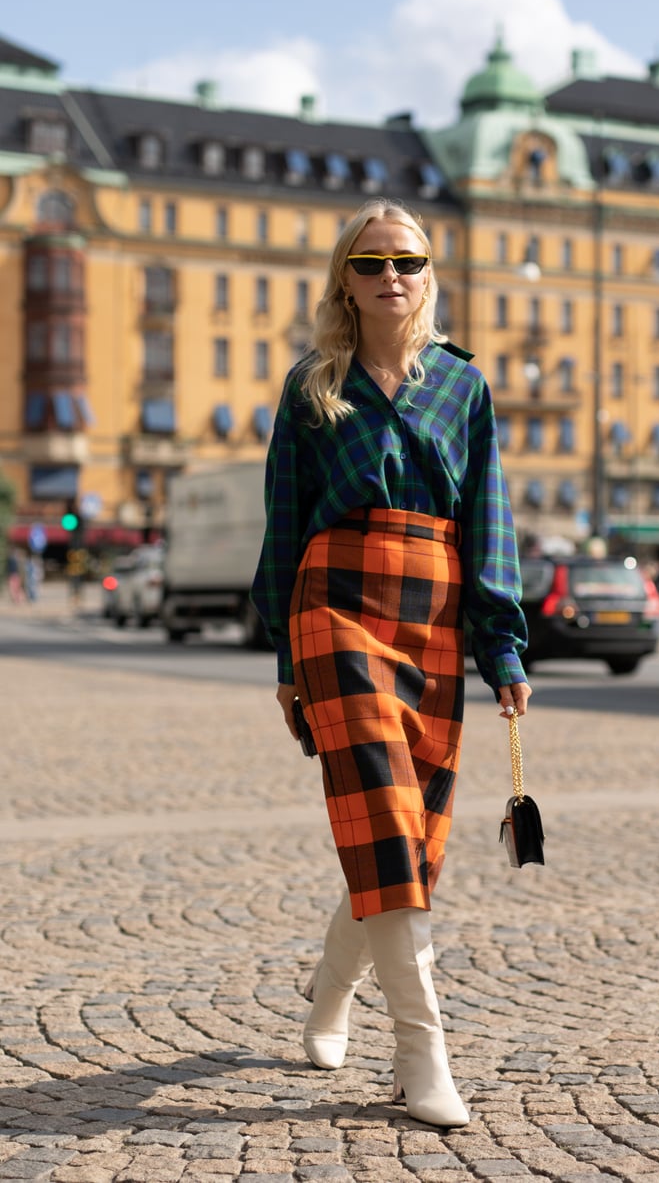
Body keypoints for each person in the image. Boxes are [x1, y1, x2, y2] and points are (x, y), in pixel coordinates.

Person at [250, 198, 530, 1128]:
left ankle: (330, 995)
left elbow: (489, 518)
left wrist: (503, 644)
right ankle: (422, 1058)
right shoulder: (310, 385)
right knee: (379, 809)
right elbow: (284, 526)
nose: (389, 279)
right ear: (345, 279)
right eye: (369, 264)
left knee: (403, 841)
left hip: (436, 611)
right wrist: (287, 652)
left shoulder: (462, 385)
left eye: (404, 261)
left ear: (426, 271)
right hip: (334, 602)